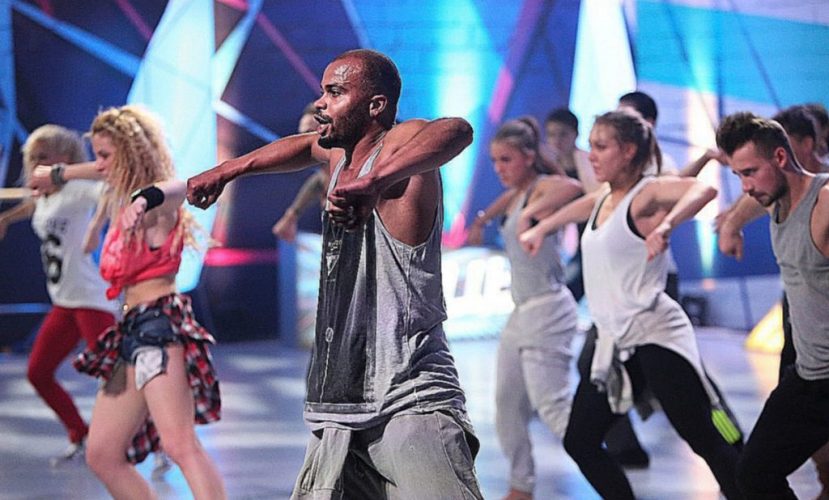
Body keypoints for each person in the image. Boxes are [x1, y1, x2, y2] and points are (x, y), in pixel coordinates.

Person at [187, 49, 482, 499]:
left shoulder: (398, 148)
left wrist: (375, 182)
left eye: (335, 92)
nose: (320, 102)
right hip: (339, 410)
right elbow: (301, 146)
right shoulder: (338, 159)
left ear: (376, 105)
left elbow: (457, 130)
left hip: (408, 402)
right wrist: (228, 170)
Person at [520, 110, 742, 499]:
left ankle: (755, 487)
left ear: (628, 151)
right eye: (591, 146)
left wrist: (667, 225)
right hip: (615, 343)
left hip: (654, 335)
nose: (591, 155)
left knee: (705, 437)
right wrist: (541, 227)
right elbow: (583, 205)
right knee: (580, 441)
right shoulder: (605, 197)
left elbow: (701, 190)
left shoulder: (647, 193)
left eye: (601, 146)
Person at [31, 105, 225, 499]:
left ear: (130, 152)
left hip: (159, 328)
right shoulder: (118, 195)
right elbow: (99, 171)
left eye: (106, 155)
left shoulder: (156, 203)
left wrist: (144, 199)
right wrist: (59, 174)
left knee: (180, 444)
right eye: (97, 156)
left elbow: (181, 187)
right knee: (102, 453)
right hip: (131, 330)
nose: (99, 164)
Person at [716, 111, 829, 499]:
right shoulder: (773, 198)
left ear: (781, 157)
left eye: (750, 172)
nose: (746, 186)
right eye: (738, 175)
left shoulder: (823, 202)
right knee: (754, 475)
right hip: (810, 377)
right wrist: (730, 225)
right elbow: (750, 202)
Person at [467, 117, 581, 500]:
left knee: (553, 410)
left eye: (507, 160)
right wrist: (483, 219)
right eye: (495, 161)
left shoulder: (541, 188)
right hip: (522, 313)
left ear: (530, 157)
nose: (499, 168)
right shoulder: (518, 193)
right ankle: (521, 486)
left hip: (549, 308)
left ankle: (602, 467)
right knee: (506, 405)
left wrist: (534, 213)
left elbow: (574, 187)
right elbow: (509, 200)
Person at [0, 125, 118, 466]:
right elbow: (35, 207)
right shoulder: (47, 194)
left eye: (43, 157)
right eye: (32, 158)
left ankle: (157, 440)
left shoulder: (78, 190)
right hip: (65, 301)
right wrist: (7, 218)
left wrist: (96, 225)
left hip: (91, 299)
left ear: (64, 158)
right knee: (38, 372)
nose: (36, 164)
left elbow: (109, 187)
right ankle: (80, 434)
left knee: (115, 377)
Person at [272, 102, 330, 241]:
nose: (304, 142)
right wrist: (291, 215)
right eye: (302, 135)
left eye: (309, 133)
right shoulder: (326, 168)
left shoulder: (351, 164)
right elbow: (318, 181)